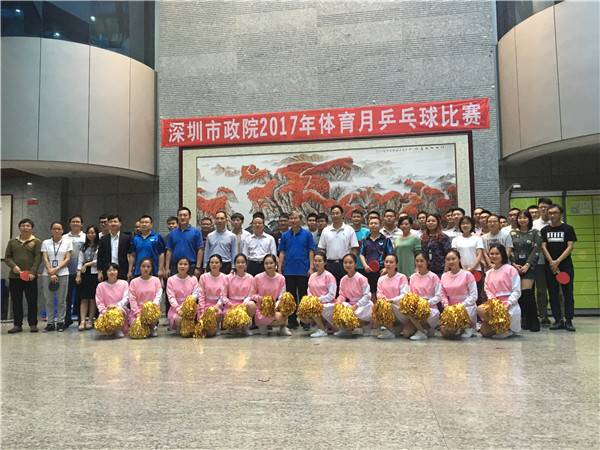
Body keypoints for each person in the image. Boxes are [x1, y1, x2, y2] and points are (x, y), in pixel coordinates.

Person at [541, 204, 577, 331]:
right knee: (553, 293)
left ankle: (569, 320)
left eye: (555, 213)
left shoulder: (568, 228)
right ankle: (557, 320)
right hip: (550, 267)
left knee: (568, 293)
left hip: (566, 266)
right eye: (550, 213)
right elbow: (543, 246)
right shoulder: (544, 230)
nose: (552, 215)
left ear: (560, 214)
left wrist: (558, 261)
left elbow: (570, 246)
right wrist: (552, 262)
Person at [278, 210, 315, 330]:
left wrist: (311, 267)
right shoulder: (285, 235)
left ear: (300, 220)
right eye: (291, 218)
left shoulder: (307, 234)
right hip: (288, 270)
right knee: (291, 297)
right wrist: (279, 269)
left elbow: (311, 251)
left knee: (304, 296)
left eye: (295, 218)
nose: (293, 220)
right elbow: (282, 252)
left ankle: (305, 321)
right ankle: (292, 321)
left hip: (303, 270)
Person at [4, 218, 42, 333]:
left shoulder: (36, 242)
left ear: (32, 228)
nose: (25, 228)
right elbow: (7, 257)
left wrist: (32, 272)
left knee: (32, 301)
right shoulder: (12, 242)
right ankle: (17, 325)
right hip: (14, 277)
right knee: (16, 301)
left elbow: (38, 258)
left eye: (28, 226)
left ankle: (33, 324)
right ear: (19, 227)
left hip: (30, 277)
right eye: (23, 226)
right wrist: (13, 266)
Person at [478, 244, 522, 338]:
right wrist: (494, 304)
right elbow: (488, 290)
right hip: (495, 303)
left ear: (502, 254)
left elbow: (517, 290)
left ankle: (508, 329)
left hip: (509, 304)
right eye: (491, 254)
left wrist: (508, 305)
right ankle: (500, 326)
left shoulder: (511, 269)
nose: (494, 256)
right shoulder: (489, 273)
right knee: (484, 331)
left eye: (497, 254)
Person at [509, 210, 541, 332]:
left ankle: (534, 320)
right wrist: (514, 264)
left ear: (529, 219)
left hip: (530, 266)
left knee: (528, 293)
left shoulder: (535, 233)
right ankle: (525, 319)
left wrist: (527, 265)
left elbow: (536, 250)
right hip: (515, 267)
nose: (522, 220)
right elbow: (510, 249)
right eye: (520, 218)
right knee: (520, 295)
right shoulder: (512, 233)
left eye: (525, 217)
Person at [317, 205, 359, 291]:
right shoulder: (326, 230)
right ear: (330, 215)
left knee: (346, 289)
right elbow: (323, 250)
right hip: (330, 264)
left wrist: (352, 264)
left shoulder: (349, 229)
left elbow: (354, 248)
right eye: (333, 214)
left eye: (337, 213)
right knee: (330, 289)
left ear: (342, 215)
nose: (335, 216)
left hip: (345, 264)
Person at [41, 222, 73, 332]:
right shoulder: (46, 243)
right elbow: (45, 258)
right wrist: (51, 272)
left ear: (63, 230)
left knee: (61, 300)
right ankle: (50, 323)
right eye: (54, 229)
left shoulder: (67, 242)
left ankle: (60, 322)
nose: (57, 231)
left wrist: (56, 269)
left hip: (63, 273)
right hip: (47, 274)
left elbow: (67, 258)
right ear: (51, 230)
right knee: (49, 300)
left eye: (59, 229)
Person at [440, 250, 477, 339]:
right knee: (445, 332)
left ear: (459, 259)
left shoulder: (467, 275)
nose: (451, 261)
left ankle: (469, 326)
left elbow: (474, 295)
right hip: (451, 308)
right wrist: (447, 306)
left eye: (453, 259)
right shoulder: (444, 276)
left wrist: (461, 306)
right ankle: (459, 328)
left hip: (466, 306)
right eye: (448, 259)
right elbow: (443, 294)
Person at [250, 254, 291, 336]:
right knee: (263, 333)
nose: (269, 265)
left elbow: (281, 296)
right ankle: (263, 324)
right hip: (262, 307)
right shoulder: (258, 277)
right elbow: (252, 295)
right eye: (266, 263)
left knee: (286, 301)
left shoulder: (281, 278)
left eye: (271, 263)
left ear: (275, 264)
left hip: (275, 306)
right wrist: (263, 299)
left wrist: (274, 306)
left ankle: (283, 327)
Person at [333, 254, 372, 337]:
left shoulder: (361, 278)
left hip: (362, 304)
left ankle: (366, 325)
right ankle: (346, 329)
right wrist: (339, 300)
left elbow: (367, 296)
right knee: (339, 308)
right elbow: (342, 295)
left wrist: (356, 305)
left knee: (355, 314)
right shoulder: (343, 279)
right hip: (349, 304)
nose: (348, 265)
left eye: (350, 262)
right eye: (345, 262)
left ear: (355, 264)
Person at [408, 252, 442, 340]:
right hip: (415, 308)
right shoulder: (413, 277)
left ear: (427, 262)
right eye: (417, 261)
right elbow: (410, 294)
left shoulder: (433, 277)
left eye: (422, 261)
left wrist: (425, 303)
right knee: (406, 333)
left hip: (430, 308)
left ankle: (423, 331)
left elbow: (438, 296)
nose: (419, 263)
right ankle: (423, 330)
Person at [302, 252, 336, 338]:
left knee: (313, 307)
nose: (317, 263)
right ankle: (323, 324)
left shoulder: (329, 276)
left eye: (320, 261)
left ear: (325, 262)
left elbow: (331, 295)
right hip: (316, 303)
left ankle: (322, 329)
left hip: (328, 304)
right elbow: (309, 290)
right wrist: (311, 300)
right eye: (315, 261)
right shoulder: (312, 276)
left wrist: (317, 300)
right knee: (303, 316)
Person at [359, 216, 393, 301]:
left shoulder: (386, 240)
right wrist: (365, 266)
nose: (373, 225)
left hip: (382, 270)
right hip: (368, 270)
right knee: (371, 293)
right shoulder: (365, 240)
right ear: (368, 226)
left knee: (382, 292)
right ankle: (373, 308)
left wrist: (386, 268)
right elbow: (361, 254)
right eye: (371, 223)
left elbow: (391, 255)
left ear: (380, 226)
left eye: (375, 223)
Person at [375, 254, 409, 339]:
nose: (388, 264)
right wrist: (382, 297)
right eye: (386, 262)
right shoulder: (381, 279)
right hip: (386, 306)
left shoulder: (402, 277)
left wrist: (393, 300)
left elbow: (404, 294)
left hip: (399, 308)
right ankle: (389, 328)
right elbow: (379, 293)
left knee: (387, 305)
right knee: (380, 304)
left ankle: (390, 330)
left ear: (396, 264)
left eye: (391, 262)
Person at [452, 216, 485, 302]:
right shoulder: (456, 240)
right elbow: (455, 256)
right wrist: (463, 268)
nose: (465, 225)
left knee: (476, 296)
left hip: (476, 271)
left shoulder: (477, 239)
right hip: (460, 271)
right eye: (463, 224)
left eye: (467, 223)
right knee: (463, 295)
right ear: (460, 225)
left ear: (472, 225)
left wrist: (472, 268)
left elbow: (479, 255)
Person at [165, 207, 204, 278]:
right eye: (180, 215)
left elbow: (200, 250)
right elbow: (169, 250)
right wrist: (167, 268)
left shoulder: (196, 232)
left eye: (185, 215)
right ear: (178, 217)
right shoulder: (172, 233)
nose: (182, 217)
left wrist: (198, 267)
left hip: (191, 265)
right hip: (175, 265)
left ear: (189, 217)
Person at [532, 197, 554, 325]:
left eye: (546, 207)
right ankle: (543, 315)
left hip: (555, 262)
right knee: (541, 291)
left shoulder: (558, 223)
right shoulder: (534, 224)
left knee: (557, 291)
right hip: (539, 262)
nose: (543, 210)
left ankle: (560, 316)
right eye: (541, 207)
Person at [128, 257, 162, 337]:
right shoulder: (134, 282)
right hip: (137, 310)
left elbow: (158, 296)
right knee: (137, 329)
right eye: (143, 266)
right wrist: (137, 313)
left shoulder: (156, 280)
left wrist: (151, 308)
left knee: (150, 318)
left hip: (151, 309)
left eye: (148, 266)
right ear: (139, 267)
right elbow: (132, 299)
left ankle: (152, 328)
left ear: (151, 268)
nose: (146, 269)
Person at [223, 254, 255, 336]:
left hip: (244, 303)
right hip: (231, 304)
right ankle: (232, 326)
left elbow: (251, 294)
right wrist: (230, 304)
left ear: (246, 264)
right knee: (233, 331)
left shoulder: (250, 278)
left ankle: (246, 326)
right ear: (234, 264)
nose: (240, 265)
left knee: (251, 304)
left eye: (243, 262)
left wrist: (244, 303)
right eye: (238, 262)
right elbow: (223, 295)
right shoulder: (228, 277)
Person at [95, 263, 129, 338]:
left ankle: (118, 329)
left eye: (114, 270)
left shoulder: (124, 283)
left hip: (120, 308)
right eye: (109, 270)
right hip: (106, 310)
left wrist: (117, 305)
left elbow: (126, 298)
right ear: (106, 272)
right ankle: (109, 329)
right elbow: (99, 301)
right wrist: (104, 311)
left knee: (117, 313)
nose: (112, 272)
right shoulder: (100, 286)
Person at [63, 214, 85, 329]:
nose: (75, 223)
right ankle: (67, 319)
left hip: (82, 272)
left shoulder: (85, 237)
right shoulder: (64, 237)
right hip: (66, 271)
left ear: (81, 224)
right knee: (66, 297)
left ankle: (81, 319)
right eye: (73, 221)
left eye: (77, 222)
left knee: (80, 296)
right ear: (70, 224)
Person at [197, 254, 228, 336]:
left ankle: (217, 326)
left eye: (216, 263)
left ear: (220, 265)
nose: (214, 264)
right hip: (206, 304)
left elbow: (223, 294)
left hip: (218, 305)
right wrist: (202, 310)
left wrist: (218, 305)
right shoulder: (203, 277)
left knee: (217, 313)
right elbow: (201, 294)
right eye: (212, 262)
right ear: (209, 264)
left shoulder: (225, 277)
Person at [75, 225, 99, 331]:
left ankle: (90, 320)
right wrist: (78, 274)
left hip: (94, 273)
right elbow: (80, 261)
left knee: (92, 298)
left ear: (96, 234)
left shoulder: (99, 246)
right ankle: (82, 320)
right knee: (83, 298)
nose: (91, 235)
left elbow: (99, 260)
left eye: (93, 233)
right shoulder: (83, 246)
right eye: (89, 233)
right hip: (84, 274)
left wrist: (88, 264)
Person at [166, 257, 199, 334]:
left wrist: (186, 306)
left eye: (185, 264)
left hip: (191, 306)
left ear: (189, 266)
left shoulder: (193, 279)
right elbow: (171, 297)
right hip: (175, 308)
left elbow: (195, 294)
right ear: (177, 265)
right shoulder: (171, 280)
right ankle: (179, 328)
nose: (182, 266)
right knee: (180, 319)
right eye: (180, 264)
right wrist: (178, 309)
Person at [128, 215, 166, 280]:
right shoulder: (135, 238)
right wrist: (130, 270)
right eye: (142, 222)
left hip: (153, 271)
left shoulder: (157, 237)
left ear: (151, 224)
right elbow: (132, 255)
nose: (144, 224)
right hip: (138, 271)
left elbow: (161, 254)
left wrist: (161, 269)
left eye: (146, 222)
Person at [97, 215, 132, 281]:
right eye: (111, 222)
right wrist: (99, 272)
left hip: (122, 270)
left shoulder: (126, 238)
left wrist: (130, 270)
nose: (113, 224)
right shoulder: (103, 239)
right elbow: (100, 256)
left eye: (115, 222)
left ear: (120, 223)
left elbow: (130, 255)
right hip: (107, 270)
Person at [420, 213, 452, 278]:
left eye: (433, 221)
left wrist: (446, 267)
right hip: (426, 270)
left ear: (438, 223)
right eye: (428, 221)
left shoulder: (443, 237)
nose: (430, 223)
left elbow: (448, 253)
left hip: (441, 270)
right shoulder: (423, 237)